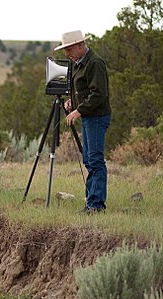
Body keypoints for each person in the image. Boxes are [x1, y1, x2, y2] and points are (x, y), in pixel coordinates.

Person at [55, 30, 112, 213]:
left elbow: (98, 95)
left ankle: (96, 206)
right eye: (66, 50)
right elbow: (85, 90)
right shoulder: (79, 63)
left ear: (81, 45)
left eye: (69, 49)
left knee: (95, 161)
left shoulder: (95, 63)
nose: (67, 54)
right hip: (89, 117)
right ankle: (91, 202)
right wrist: (74, 101)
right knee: (88, 160)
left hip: (96, 117)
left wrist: (77, 111)